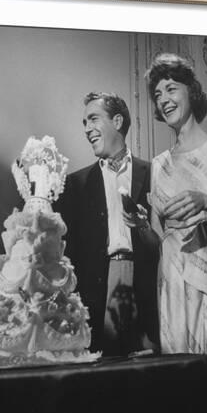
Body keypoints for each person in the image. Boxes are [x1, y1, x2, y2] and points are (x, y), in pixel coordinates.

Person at [124, 53, 207, 413]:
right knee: (183, 390)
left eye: (171, 88)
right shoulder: (158, 164)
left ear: (191, 92)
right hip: (174, 286)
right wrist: (143, 226)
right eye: (157, 93)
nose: (163, 98)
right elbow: (161, 242)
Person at [56, 92, 159, 356]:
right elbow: (68, 253)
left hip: (150, 286)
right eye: (84, 123)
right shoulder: (75, 184)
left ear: (117, 120)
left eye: (93, 119)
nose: (87, 129)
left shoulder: (155, 173)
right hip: (97, 289)